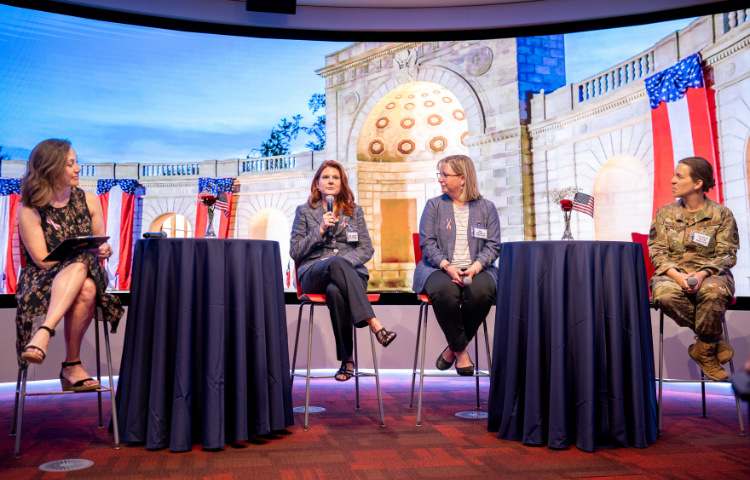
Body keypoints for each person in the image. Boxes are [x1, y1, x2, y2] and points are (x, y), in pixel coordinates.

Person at [16, 139, 124, 392]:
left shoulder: (89, 200)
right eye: (70, 164)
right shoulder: (30, 208)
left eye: (77, 163)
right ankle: (72, 364)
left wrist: (103, 250)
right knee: (84, 282)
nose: (78, 169)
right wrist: (79, 254)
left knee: (83, 265)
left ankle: (44, 333)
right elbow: (42, 261)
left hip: (87, 268)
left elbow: (99, 246)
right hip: (43, 278)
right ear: (51, 168)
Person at [290, 160, 397, 382]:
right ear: (317, 184)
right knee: (335, 264)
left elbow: (367, 248)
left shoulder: (354, 212)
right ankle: (374, 324)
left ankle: (347, 360)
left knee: (336, 291)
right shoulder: (304, 212)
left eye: (335, 177)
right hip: (314, 273)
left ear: (342, 184)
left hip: (350, 274)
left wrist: (344, 262)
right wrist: (319, 229)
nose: (330, 181)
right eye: (326, 177)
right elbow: (295, 251)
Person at [648, 156, 739, 381]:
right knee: (665, 295)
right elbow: (657, 251)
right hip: (672, 273)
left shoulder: (722, 214)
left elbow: (728, 253)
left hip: (711, 274)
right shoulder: (664, 214)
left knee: (712, 291)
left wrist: (701, 274)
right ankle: (712, 341)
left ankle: (704, 350)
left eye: (679, 176)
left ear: (698, 183)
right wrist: (677, 276)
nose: (672, 180)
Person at [413, 155, 500, 375]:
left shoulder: (487, 208)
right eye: (439, 174)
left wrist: (475, 268)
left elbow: (493, 246)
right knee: (443, 291)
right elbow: (427, 243)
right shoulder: (433, 205)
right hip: (438, 268)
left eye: (445, 174)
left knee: (482, 293)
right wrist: (448, 266)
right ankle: (461, 353)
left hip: (478, 269)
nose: (440, 179)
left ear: (462, 178)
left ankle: (451, 350)